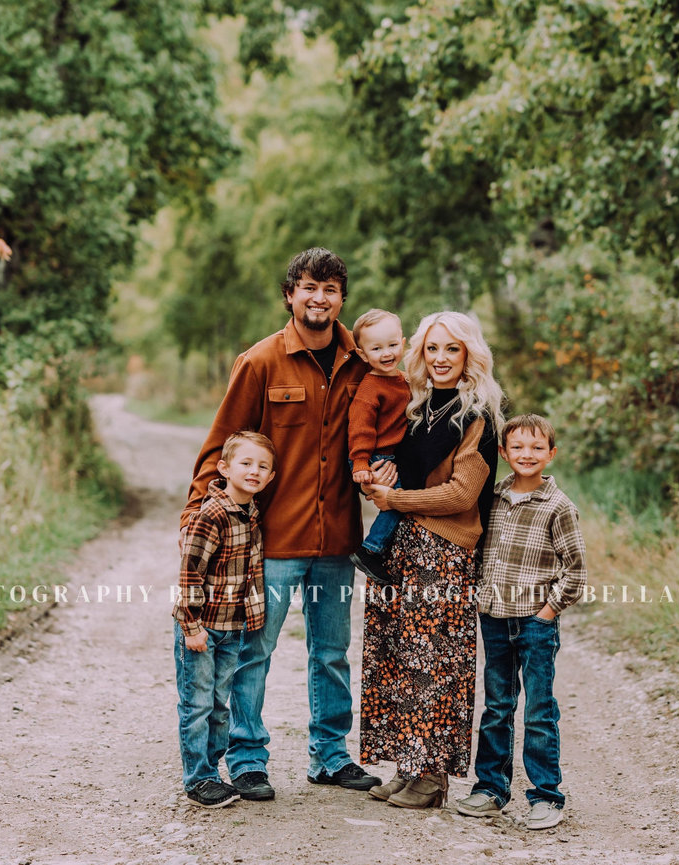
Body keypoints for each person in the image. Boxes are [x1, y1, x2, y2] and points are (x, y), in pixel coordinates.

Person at [180, 247, 392, 802]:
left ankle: (330, 756)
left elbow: (391, 422)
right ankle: (248, 760)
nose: (319, 298)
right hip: (270, 542)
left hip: (338, 539)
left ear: (342, 298)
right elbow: (221, 444)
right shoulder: (261, 362)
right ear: (290, 295)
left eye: (330, 289)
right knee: (254, 653)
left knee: (331, 653)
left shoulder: (362, 361)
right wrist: (198, 516)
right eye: (308, 287)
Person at [359, 310, 504, 809]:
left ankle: (433, 779)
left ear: (469, 355)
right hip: (403, 547)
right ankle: (407, 767)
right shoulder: (418, 407)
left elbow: (462, 495)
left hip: (442, 552)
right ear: (419, 353)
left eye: (452, 349)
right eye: (432, 349)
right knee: (398, 660)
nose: (441, 359)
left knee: (436, 666)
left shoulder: (477, 415)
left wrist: (396, 500)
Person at [455, 414, 588, 830]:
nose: (526, 455)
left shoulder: (559, 507)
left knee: (539, 711)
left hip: (534, 622)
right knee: (497, 707)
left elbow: (576, 571)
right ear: (503, 452)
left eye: (535, 448)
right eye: (517, 447)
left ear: (551, 453)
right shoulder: (492, 497)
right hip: (494, 619)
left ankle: (546, 796)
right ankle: (490, 789)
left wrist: (546, 613)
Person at [174, 432, 277, 808]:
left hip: (232, 628)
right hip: (202, 628)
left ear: (270, 477)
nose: (254, 471)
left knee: (220, 706)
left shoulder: (252, 513)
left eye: (262, 466)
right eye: (246, 463)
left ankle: (211, 772)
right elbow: (189, 573)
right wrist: (192, 626)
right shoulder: (211, 514)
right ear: (224, 468)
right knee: (197, 704)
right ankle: (197, 778)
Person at [347, 309, 410, 586]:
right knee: (399, 501)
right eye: (376, 348)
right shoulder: (370, 389)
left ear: (403, 343)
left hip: (391, 455)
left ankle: (382, 549)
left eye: (392, 345)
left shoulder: (404, 379)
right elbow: (360, 429)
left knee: (403, 500)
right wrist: (360, 463)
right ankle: (371, 550)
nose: (387, 353)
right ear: (363, 355)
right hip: (372, 456)